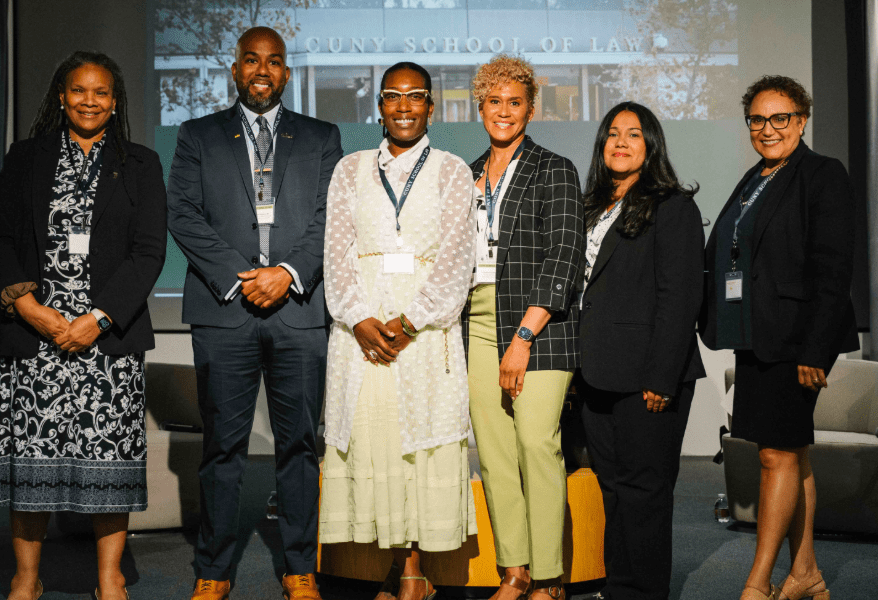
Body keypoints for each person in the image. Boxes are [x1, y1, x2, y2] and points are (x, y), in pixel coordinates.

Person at [0, 51, 167, 600]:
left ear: (115, 102)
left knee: (108, 462)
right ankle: (27, 578)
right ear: (61, 96)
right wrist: (27, 306)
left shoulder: (140, 164)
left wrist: (98, 318)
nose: (90, 101)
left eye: (102, 92)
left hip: (104, 337)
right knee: (30, 465)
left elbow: (148, 252)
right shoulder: (25, 158)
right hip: (34, 336)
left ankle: (109, 578)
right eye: (79, 91)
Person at [167, 26, 343, 600]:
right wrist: (241, 280)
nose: (262, 69)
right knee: (222, 448)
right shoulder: (198, 135)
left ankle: (299, 568)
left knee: (300, 446)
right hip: (226, 314)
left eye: (273, 61)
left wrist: (286, 275)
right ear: (235, 70)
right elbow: (184, 214)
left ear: (286, 73)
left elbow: (330, 218)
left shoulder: (321, 136)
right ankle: (213, 572)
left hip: (298, 311)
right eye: (251, 60)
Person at [319, 61, 477, 600]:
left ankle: (414, 570)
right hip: (360, 334)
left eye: (415, 96)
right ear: (379, 106)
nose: (404, 106)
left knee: (419, 445)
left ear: (432, 107)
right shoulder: (350, 169)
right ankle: (383, 566)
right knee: (375, 442)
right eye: (393, 96)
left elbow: (459, 257)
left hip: (425, 335)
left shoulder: (454, 171)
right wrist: (359, 319)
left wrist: (410, 323)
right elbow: (335, 254)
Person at [699, 76, 858, 600]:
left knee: (775, 457)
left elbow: (833, 269)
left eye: (780, 118)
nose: (768, 130)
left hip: (796, 344)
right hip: (758, 338)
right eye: (758, 120)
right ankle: (806, 572)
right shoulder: (756, 177)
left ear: (802, 119)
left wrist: (817, 350)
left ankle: (757, 583)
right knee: (792, 455)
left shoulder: (822, 175)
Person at [462, 54, 584, 600]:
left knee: (536, 443)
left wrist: (523, 338)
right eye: (494, 102)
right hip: (477, 320)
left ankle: (550, 577)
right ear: (479, 107)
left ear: (531, 109)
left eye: (515, 102)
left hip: (539, 324)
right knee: (493, 452)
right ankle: (513, 570)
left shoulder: (555, 169)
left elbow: (563, 258)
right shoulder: (465, 176)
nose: (504, 112)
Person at [576, 102, 706, 600]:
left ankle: (643, 591)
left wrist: (661, 377)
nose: (621, 142)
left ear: (651, 144)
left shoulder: (673, 207)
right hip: (595, 373)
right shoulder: (591, 206)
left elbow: (680, 298)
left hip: (649, 375)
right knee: (610, 486)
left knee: (645, 491)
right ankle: (618, 583)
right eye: (612, 134)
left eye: (633, 133)